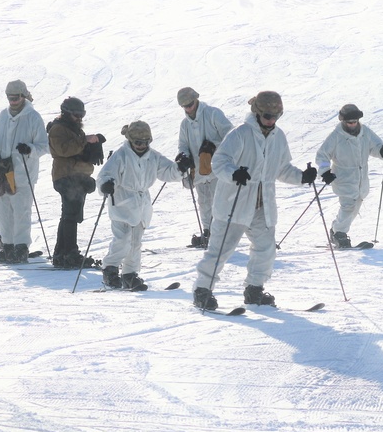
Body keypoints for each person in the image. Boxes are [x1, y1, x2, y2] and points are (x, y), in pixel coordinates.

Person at [192, 91, 317, 310]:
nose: (272, 120)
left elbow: (282, 168)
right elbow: (219, 162)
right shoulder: (239, 134)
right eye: (268, 115)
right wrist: (234, 173)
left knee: (265, 248)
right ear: (258, 113)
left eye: (277, 116)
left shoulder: (279, 137)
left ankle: (254, 289)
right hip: (234, 202)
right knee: (221, 249)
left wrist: (302, 177)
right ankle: (202, 290)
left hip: (262, 205)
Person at [97, 121, 181, 291]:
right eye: (138, 143)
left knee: (135, 241)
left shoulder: (153, 156)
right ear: (130, 140)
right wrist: (106, 184)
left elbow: (168, 171)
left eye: (146, 142)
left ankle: (130, 274)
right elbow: (105, 174)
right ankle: (110, 269)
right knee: (123, 238)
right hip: (121, 201)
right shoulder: (121, 155)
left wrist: (181, 168)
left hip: (141, 204)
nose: (142, 146)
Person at [0, 80, 49, 264]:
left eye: (16, 97)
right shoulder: (2, 116)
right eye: (9, 98)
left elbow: (44, 146)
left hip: (23, 174)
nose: (12, 101)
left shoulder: (33, 117)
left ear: (23, 96)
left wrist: (30, 149)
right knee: (3, 211)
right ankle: (7, 246)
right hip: (2, 172)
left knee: (21, 211)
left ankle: (21, 247)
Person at [314, 103, 383, 248]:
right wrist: (325, 172)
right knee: (348, 205)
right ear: (343, 121)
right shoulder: (336, 136)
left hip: (361, 178)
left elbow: (375, 147)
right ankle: (339, 234)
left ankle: (336, 230)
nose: (353, 124)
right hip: (343, 177)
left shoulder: (365, 132)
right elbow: (322, 155)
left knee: (356, 204)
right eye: (349, 122)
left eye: (355, 121)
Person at [48, 97, 106, 268]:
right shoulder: (58, 129)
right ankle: (70, 253)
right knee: (71, 215)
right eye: (76, 115)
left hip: (76, 177)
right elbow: (63, 150)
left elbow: (78, 150)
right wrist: (85, 141)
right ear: (66, 113)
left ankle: (62, 253)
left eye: (82, 115)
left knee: (70, 214)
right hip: (66, 177)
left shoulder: (73, 128)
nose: (80, 118)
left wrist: (93, 147)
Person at [175, 87, 234, 249]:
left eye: (190, 104)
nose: (189, 108)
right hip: (199, 170)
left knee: (219, 201)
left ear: (196, 100)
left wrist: (214, 147)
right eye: (185, 106)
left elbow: (232, 135)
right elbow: (183, 145)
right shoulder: (184, 125)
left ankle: (221, 234)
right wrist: (184, 156)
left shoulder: (213, 114)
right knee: (204, 202)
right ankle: (207, 231)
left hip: (217, 168)